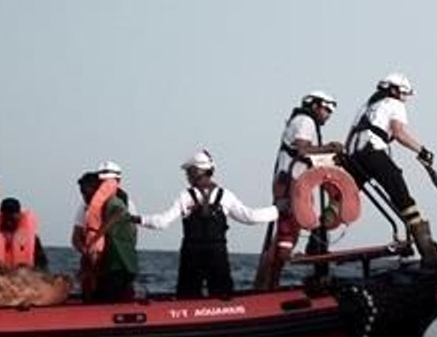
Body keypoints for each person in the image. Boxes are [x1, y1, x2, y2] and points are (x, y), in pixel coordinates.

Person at [136, 150, 277, 299]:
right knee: (223, 296)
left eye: (189, 171)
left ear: (197, 171)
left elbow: (162, 222)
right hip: (217, 253)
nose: (187, 176)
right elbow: (250, 217)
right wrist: (277, 211)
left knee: (187, 297)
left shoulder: (185, 196)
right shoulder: (225, 196)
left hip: (191, 254)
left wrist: (136, 219)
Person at [343, 72, 437, 262]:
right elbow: (399, 132)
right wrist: (422, 151)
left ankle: (317, 243)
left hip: (354, 155)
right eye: (404, 94)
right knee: (403, 197)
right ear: (394, 91)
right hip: (373, 152)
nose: (405, 99)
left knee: (343, 197)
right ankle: (429, 254)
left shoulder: (368, 105)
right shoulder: (394, 104)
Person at [258, 92, 339, 289]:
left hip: (289, 182)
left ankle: (267, 285)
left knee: (285, 236)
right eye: (326, 109)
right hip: (290, 183)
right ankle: (267, 287)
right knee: (287, 236)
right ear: (315, 106)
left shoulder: (302, 120)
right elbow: (303, 150)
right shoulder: (305, 121)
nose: (328, 115)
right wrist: (330, 147)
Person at [92, 163, 139, 302]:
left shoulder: (121, 202)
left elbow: (131, 229)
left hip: (118, 260)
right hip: (103, 262)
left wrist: (96, 238)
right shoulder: (90, 202)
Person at [0, 198, 47, 272]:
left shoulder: (33, 239)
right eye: (6, 213)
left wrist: (29, 271)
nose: (9, 217)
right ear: (1, 215)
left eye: (12, 213)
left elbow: (42, 266)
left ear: (19, 215)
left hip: (21, 278)